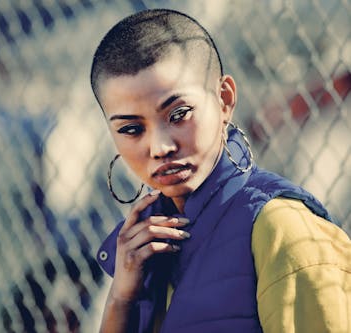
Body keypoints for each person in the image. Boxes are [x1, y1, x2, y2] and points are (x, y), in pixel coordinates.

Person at [89, 8, 351, 333]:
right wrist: (121, 302)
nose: (159, 147)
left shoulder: (284, 229)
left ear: (224, 99)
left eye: (179, 113)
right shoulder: (142, 251)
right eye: (131, 129)